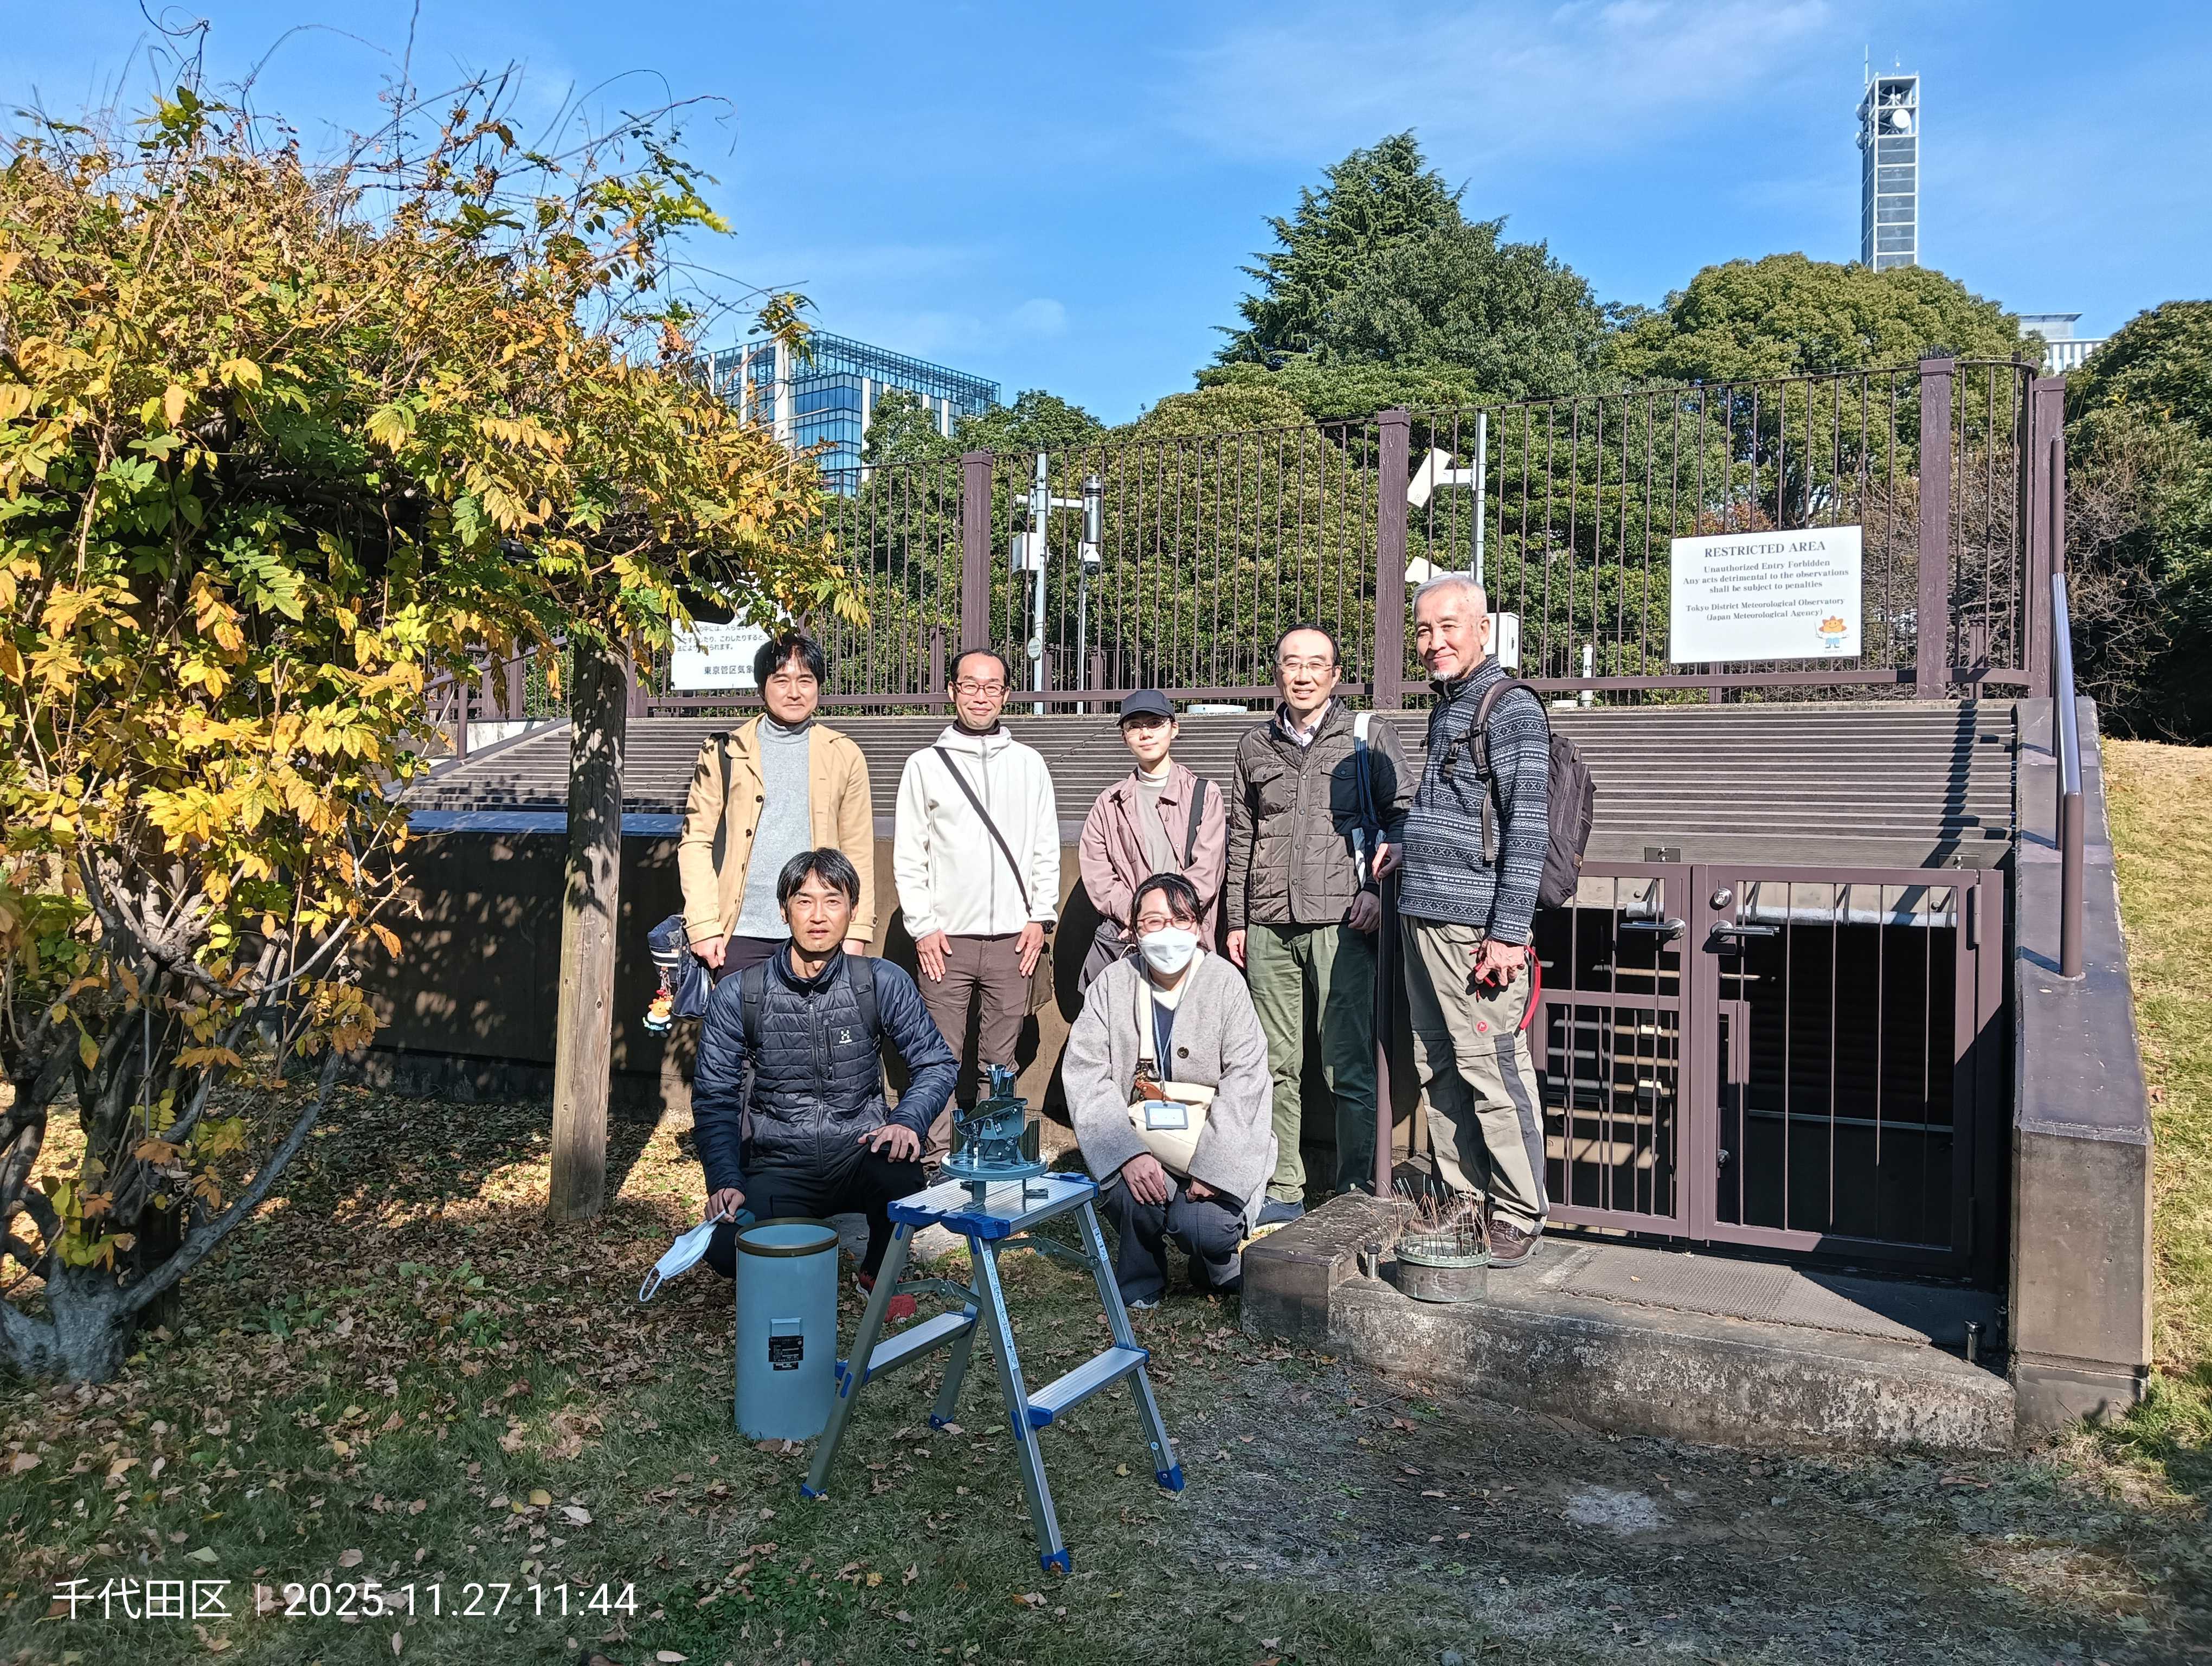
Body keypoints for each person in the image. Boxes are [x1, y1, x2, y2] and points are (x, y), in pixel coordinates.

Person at [692, 849, 955, 1314]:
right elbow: (715, 1097)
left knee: (903, 1175)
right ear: (783, 909)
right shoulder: (741, 992)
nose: (818, 916)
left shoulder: (879, 981)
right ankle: (791, 1256)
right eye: (804, 901)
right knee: (723, 1247)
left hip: (858, 1150)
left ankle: (876, 1269)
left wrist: (908, 1122)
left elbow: (936, 1062)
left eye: (833, 901)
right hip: (780, 1163)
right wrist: (725, 1179)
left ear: (852, 910)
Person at [1224, 625, 1412, 1225]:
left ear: (1335, 675)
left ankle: (1356, 1188)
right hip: (1268, 924)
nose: (1302, 675)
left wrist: (1378, 893)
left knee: (1346, 1064)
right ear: (1276, 672)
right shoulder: (1254, 745)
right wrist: (1236, 920)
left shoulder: (1368, 738)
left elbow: (1404, 819)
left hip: (1344, 923)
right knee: (1274, 1064)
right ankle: (1283, 1185)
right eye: (1290, 664)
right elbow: (1240, 838)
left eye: (1315, 665)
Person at [1398, 574, 1553, 1268]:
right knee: (1438, 1065)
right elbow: (1464, 812)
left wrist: (1509, 931)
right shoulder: (1448, 708)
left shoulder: (1509, 707)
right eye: (1425, 630)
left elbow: (1527, 829)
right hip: (1423, 915)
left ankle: (1519, 1211)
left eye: (1448, 627)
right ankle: (1464, 1198)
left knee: (1493, 1066)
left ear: (1483, 630)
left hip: (1477, 932)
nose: (1434, 643)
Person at [1061, 873, 1276, 1310]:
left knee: (1204, 1228)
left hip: (1207, 1139)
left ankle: (1215, 1261)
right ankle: (1141, 1276)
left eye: (1181, 919)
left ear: (1198, 926)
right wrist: (1125, 1153)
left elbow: (1247, 1080)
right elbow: (1086, 1073)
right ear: (1134, 931)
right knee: (1131, 1190)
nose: (1169, 932)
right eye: (1154, 922)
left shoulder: (1225, 983)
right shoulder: (1112, 984)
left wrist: (1214, 1167)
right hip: (1141, 1139)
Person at [891, 648, 1060, 1161]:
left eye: (993, 686)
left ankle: (992, 1157)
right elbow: (909, 853)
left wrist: (1039, 918)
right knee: (939, 1057)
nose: (981, 695)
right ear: (952, 691)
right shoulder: (924, 765)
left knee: (1000, 1059)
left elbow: (1044, 848)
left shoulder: (1029, 764)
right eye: (971, 685)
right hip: (946, 939)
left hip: (1015, 939)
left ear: (1007, 694)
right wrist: (922, 926)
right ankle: (936, 1157)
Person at [677, 631, 876, 979]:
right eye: (781, 680)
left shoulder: (844, 754)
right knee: (740, 1031)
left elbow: (858, 849)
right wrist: (704, 924)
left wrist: (857, 930)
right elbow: (696, 841)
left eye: (806, 680)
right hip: (738, 931)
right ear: (762, 687)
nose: (795, 692)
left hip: (819, 929)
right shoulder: (724, 751)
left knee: (815, 1033)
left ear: (819, 686)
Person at [1075, 690, 1227, 987]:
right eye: (1135, 726)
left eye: (1155, 723)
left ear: (1174, 727)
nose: (1145, 734)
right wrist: (1137, 916)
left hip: (1187, 939)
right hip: (1130, 940)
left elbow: (1207, 871)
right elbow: (1098, 874)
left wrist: (1164, 918)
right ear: (1124, 737)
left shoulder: (1205, 795)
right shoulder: (1109, 803)